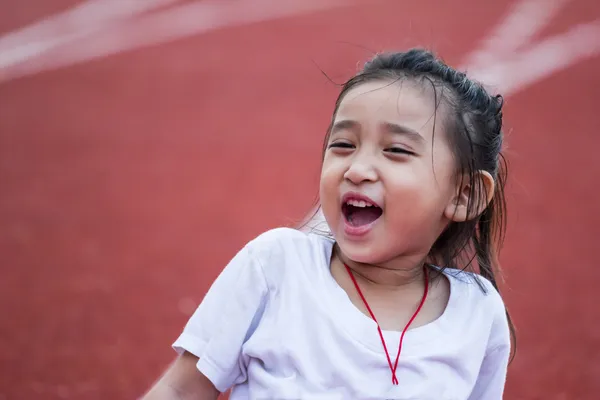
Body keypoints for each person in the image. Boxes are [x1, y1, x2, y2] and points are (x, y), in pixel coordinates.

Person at [142, 48, 516, 400]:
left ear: (464, 195)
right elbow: (181, 390)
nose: (356, 169)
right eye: (343, 145)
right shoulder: (277, 267)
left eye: (396, 150)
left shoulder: (479, 314)